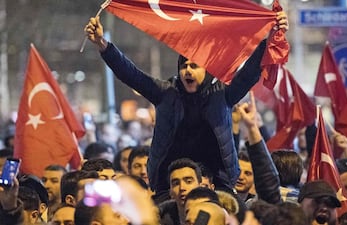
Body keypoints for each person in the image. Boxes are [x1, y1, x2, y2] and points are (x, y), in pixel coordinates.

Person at [84, 12, 288, 201]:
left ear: (207, 70)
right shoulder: (165, 93)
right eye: (184, 66)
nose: (187, 71)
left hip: (218, 184)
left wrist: (271, 38)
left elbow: (249, 73)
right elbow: (130, 74)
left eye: (194, 66)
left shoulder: (223, 94)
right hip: (168, 186)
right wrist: (103, 44)